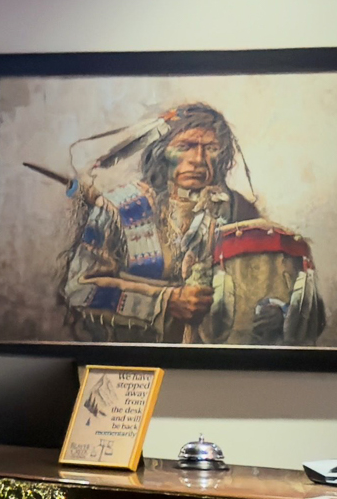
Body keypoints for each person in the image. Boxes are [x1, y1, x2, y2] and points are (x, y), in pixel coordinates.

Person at [52, 101, 322, 345]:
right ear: (161, 153)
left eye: (211, 148)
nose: (198, 160)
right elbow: (79, 289)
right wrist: (166, 302)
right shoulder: (119, 208)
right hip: (139, 362)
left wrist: (277, 311)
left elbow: (268, 282)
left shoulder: (238, 210)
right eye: (185, 147)